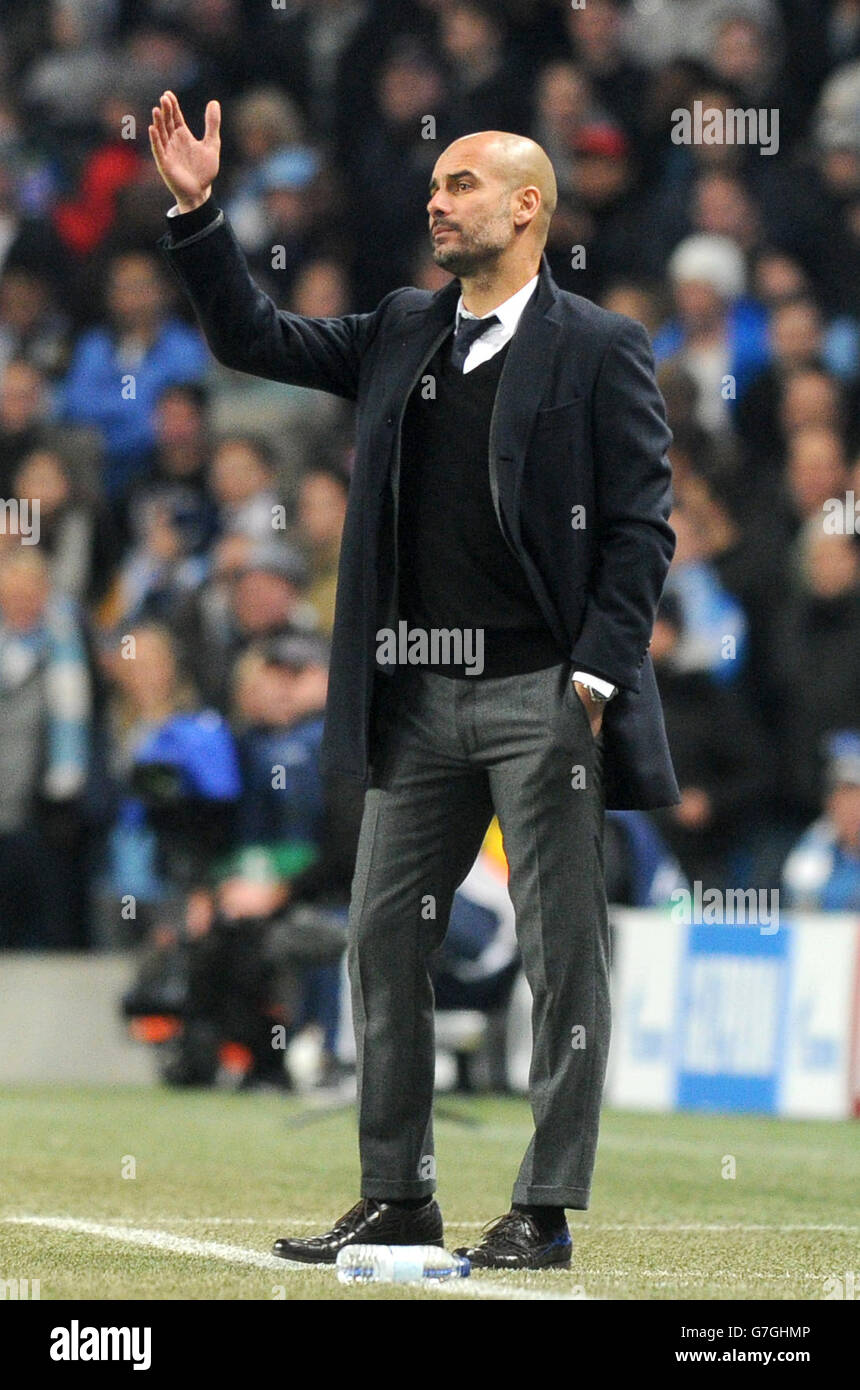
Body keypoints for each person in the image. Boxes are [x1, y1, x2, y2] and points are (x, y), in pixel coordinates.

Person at [150, 91, 676, 1271]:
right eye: (433, 187)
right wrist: (197, 211)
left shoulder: (597, 346)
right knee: (381, 939)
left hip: (543, 692)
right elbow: (255, 339)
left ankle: (541, 1209)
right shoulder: (400, 327)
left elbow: (642, 527)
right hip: (417, 699)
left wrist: (593, 677)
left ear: (527, 206)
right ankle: (399, 1193)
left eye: (461, 185)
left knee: (560, 953)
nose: (435, 201)